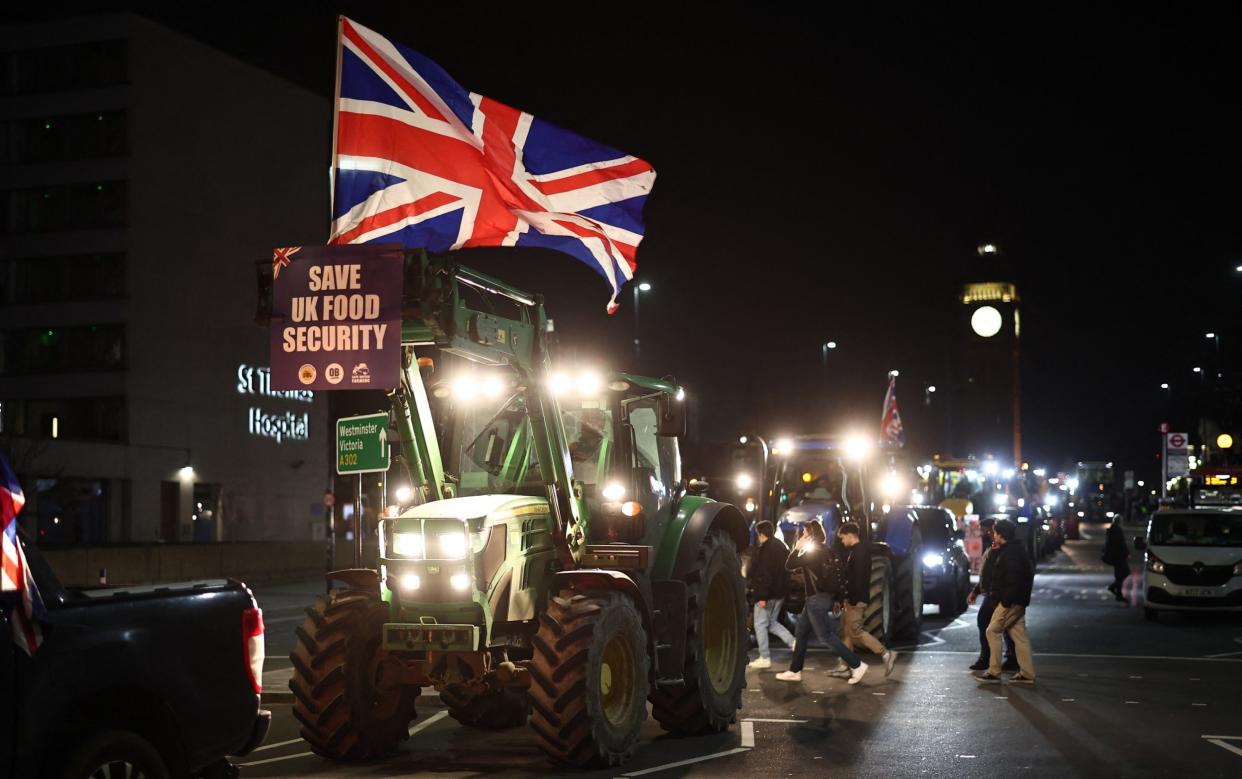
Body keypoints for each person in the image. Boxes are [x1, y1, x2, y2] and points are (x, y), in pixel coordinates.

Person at [776, 520, 869, 685]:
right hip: (822, 598)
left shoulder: (813, 553)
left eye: (804, 533)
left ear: (810, 535)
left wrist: (797, 547)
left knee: (825, 636)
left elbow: (789, 565)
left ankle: (857, 665)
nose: (802, 535)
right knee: (801, 632)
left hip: (815, 600)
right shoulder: (828, 550)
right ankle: (795, 670)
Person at [830, 522, 896, 678]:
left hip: (856, 599)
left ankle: (886, 654)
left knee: (855, 631)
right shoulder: (857, 551)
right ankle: (845, 665)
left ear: (851, 535)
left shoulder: (859, 553)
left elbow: (858, 580)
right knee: (846, 632)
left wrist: (851, 599)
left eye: (843, 537)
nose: (842, 541)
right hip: (853, 598)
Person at [975, 519, 1036, 685]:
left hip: (1010, 602)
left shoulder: (1011, 554)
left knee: (992, 631)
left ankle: (994, 671)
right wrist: (996, 551)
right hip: (1017, 601)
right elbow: (996, 570)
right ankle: (1027, 673)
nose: (992, 535)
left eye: (994, 532)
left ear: (1000, 534)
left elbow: (1012, 580)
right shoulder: (1011, 550)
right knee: (1019, 636)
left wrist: (1005, 603)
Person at [966, 517, 1017, 671]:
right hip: (993, 592)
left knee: (990, 623)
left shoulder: (1000, 548)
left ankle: (990, 659)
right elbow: (986, 574)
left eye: (983, 529)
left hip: (998, 593)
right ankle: (1007, 658)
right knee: (1005, 626)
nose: (980, 533)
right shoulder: (993, 546)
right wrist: (976, 590)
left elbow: (996, 573)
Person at [747, 520, 796, 669]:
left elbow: (765, 575)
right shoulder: (782, 546)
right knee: (771, 623)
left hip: (767, 594)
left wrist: (761, 596)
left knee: (760, 624)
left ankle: (764, 657)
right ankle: (793, 643)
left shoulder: (765, 550)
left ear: (761, 534)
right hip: (779, 593)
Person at [1102, 516, 1129, 601]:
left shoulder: (1111, 530)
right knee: (1124, 572)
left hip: (1114, 556)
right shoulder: (1117, 530)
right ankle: (1114, 588)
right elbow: (1121, 543)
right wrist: (1126, 552)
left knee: (1119, 575)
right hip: (1118, 556)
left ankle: (1118, 593)